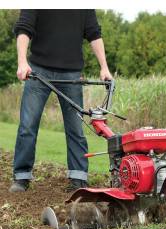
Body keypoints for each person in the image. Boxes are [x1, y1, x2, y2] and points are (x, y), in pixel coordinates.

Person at [9, 9, 112, 193]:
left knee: (75, 128)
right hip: (38, 72)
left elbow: (94, 33)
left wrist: (104, 67)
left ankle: (78, 177)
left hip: (71, 75)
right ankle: (22, 176)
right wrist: (22, 61)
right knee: (28, 126)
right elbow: (24, 28)